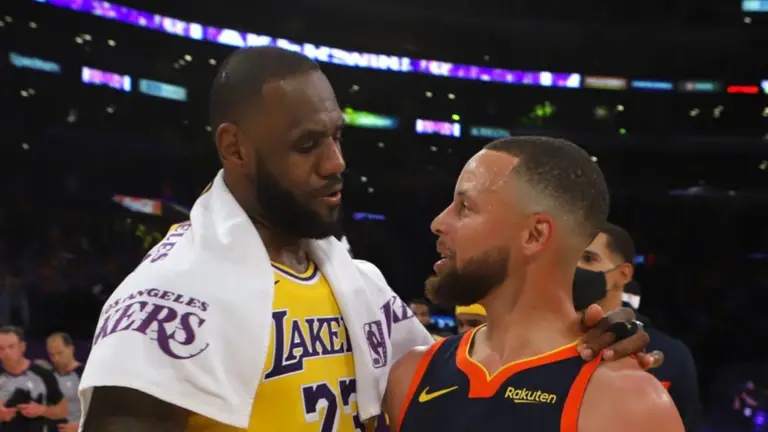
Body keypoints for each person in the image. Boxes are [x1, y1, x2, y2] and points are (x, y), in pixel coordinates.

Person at [78, 48, 654, 432]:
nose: (336, 163)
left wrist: (595, 336)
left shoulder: (363, 289)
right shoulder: (167, 298)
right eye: (307, 145)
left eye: (337, 136)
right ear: (235, 148)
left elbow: (467, 375)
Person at [385, 137, 683, 432]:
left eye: (465, 207)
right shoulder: (412, 373)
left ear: (535, 235)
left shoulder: (627, 403)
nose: (438, 222)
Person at [577, 222, 701, 431]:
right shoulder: (544, 340)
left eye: (588, 259)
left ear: (624, 274)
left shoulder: (671, 355)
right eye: (570, 259)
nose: (575, 268)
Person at [0, 326, 67, 432]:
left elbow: (63, 410)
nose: (7, 352)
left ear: (22, 346)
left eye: (11, 347)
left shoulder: (43, 374)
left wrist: (42, 410)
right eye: (1, 348)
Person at [46, 332, 84, 432]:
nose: (56, 359)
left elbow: (99, 408)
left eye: (59, 353)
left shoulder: (86, 374)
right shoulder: (48, 377)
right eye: (52, 355)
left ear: (71, 349)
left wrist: (80, 427)